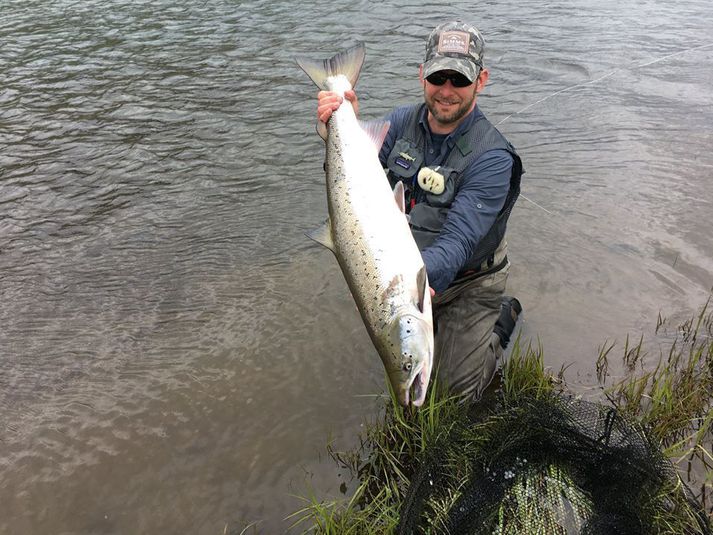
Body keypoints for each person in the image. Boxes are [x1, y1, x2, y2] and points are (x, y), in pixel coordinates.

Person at [317, 21, 523, 402]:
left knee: (454, 399)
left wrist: (412, 288)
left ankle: (499, 325)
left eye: (458, 80)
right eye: (437, 77)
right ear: (421, 76)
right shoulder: (399, 123)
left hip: (467, 281)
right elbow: (349, 189)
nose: (446, 91)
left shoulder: (493, 158)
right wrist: (338, 130)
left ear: (481, 80)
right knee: (410, 358)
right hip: (409, 276)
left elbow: (458, 243)